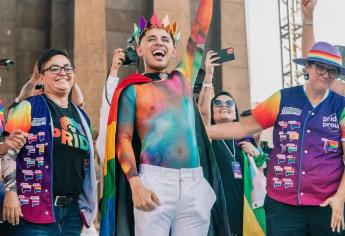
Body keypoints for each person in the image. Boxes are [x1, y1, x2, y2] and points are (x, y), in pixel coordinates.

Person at [100, 0, 231, 235]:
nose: (158, 43)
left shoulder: (182, 77)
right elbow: (122, 138)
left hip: (194, 183)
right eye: (151, 39)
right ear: (139, 50)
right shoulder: (132, 90)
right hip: (153, 182)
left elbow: (200, 28)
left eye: (165, 40)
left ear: (173, 50)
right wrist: (136, 183)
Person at [207, 38, 345, 235]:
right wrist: (200, 130)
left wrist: (340, 197)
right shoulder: (283, 98)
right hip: (282, 207)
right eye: (321, 68)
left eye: (332, 71)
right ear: (308, 67)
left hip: (327, 205)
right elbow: (244, 127)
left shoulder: (341, 107)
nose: (326, 75)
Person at [1, 48, 97, 235]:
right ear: (41, 78)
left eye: (67, 68)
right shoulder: (27, 107)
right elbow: (10, 152)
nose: (63, 72)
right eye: (54, 68)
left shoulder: (82, 117)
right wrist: (11, 193)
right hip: (33, 211)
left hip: (72, 215)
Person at [198, 50, 266, 236]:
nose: (223, 106)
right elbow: (203, 114)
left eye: (229, 104)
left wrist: (256, 154)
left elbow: (263, 175)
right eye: (218, 104)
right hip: (216, 215)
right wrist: (209, 74)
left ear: (236, 113)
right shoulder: (210, 137)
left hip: (244, 218)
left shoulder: (244, 145)